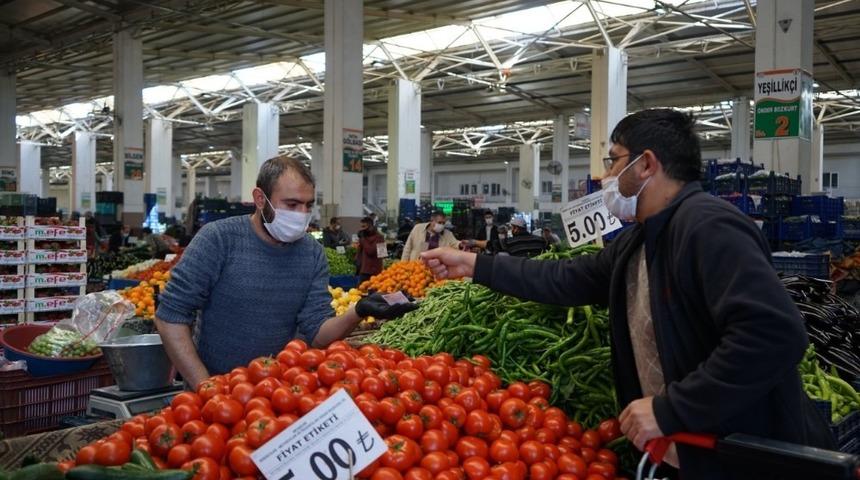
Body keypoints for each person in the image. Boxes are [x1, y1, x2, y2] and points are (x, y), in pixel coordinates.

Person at [419, 109, 833, 480]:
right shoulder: (641, 240)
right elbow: (567, 278)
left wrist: (673, 408)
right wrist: (476, 266)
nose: (604, 177)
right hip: (689, 451)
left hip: (741, 456)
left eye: (614, 159)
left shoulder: (708, 227)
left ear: (647, 163)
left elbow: (773, 335)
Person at [154, 155, 416, 388]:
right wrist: (205, 388)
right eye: (291, 204)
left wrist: (359, 311)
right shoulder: (219, 239)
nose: (302, 214)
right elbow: (170, 316)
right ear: (260, 199)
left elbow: (317, 332)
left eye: (308, 205)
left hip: (278, 395)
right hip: (216, 391)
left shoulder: (311, 253)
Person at [356, 217, 385, 283]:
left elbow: (374, 252)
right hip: (364, 270)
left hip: (374, 272)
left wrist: (363, 239)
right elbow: (360, 252)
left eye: (364, 226)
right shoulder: (364, 237)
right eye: (361, 226)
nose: (362, 229)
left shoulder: (379, 237)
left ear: (370, 226)